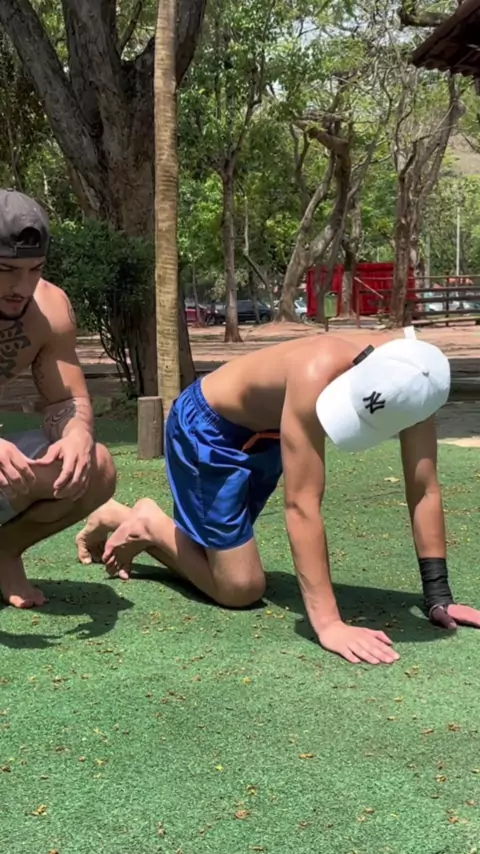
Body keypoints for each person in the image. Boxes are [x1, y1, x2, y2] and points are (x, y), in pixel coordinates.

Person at [77, 329, 480, 664]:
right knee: (240, 587)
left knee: (219, 560)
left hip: (267, 434)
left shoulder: (419, 375)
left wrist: (438, 596)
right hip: (209, 430)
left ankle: (139, 522)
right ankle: (147, 521)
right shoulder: (316, 371)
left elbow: (424, 487)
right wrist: (329, 624)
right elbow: (302, 505)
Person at [0, 188, 116, 608]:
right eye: (6, 270)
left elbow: (65, 401)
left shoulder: (49, 309)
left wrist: (77, 433)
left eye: (35, 269)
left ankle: (4, 552)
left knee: (95, 466)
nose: (22, 286)